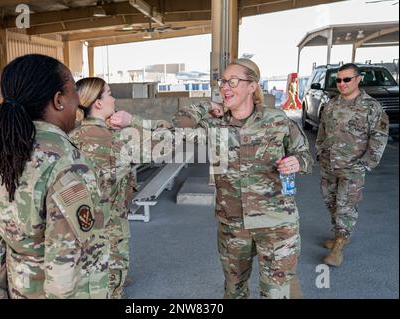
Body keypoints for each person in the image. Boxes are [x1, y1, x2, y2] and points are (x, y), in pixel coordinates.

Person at [111, 58, 312, 299]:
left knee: (277, 292)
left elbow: (304, 156)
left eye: (233, 81)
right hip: (233, 226)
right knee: (234, 290)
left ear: (252, 86)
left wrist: (297, 162)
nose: (225, 87)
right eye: (223, 81)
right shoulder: (214, 124)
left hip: (277, 223)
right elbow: (175, 126)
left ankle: (288, 284)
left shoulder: (278, 120)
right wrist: (207, 106)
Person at [0, 54, 110, 299]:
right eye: (73, 92)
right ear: (59, 100)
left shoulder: (1, 159)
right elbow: (68, 260)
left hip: (20, 288)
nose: (78, 103)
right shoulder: (67, 164)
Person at [316, 63, 389, 267]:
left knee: (346, 205)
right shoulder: (332, 104)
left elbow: (379, 137)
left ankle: (339, 245)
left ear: (358, 79)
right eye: (338, 80)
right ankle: (340, 234)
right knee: (331, 201)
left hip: (353, 167)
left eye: (346, 79)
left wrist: (365, 164)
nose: (342, 83)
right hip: (329, 165)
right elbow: (321, 130)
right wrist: (319, 152)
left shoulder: (371, 106)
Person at [69, 77, 135, 299]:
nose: (114, 98)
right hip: (113, 218)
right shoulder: (115, 139)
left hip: (83, 219)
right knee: (114, 265)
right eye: (109, 93)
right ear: (97, 103)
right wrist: (132, 123)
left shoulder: (71, 136)